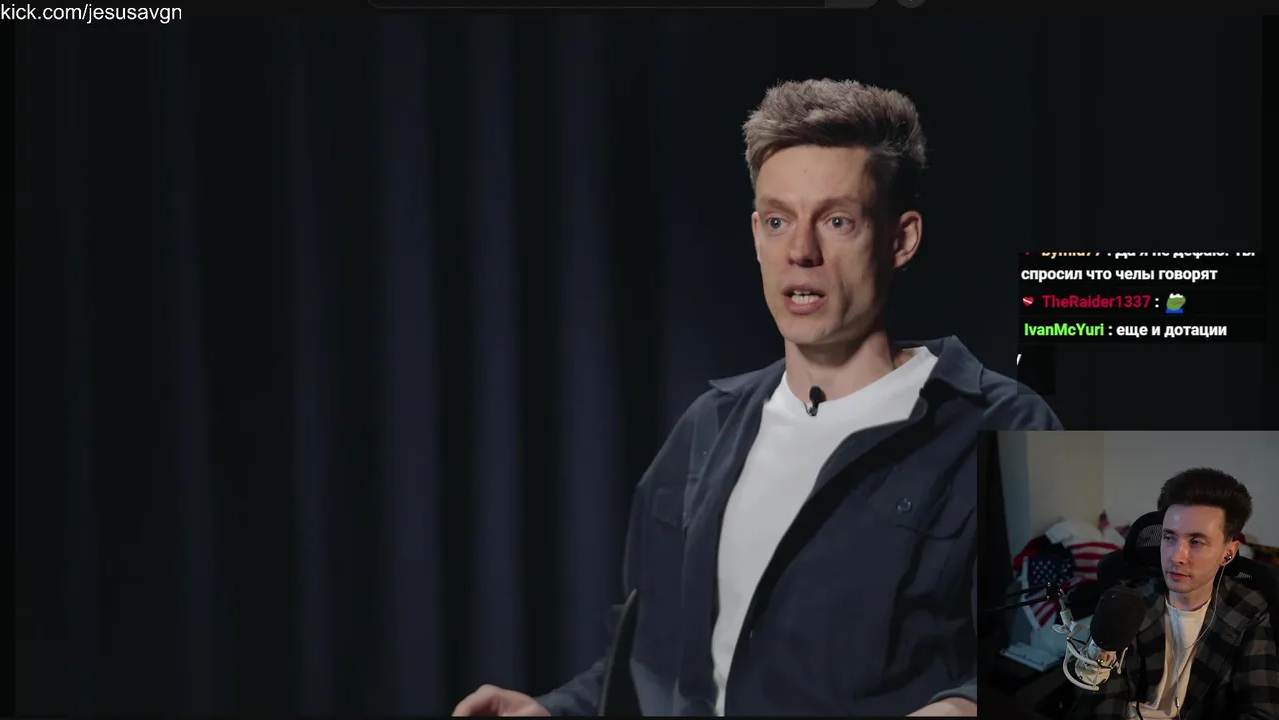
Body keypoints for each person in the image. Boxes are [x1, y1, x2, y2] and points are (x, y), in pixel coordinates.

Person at [454, 78, 1060, 718]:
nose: (801, 251)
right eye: (778, 221)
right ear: (755, 236)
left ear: (900, 239)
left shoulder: (1002, 423)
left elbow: (1052, 654)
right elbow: (652, 662)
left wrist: (962, 709)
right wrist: (555, 711)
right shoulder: (707, 429)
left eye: (836, 221)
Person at [1069, 468, 1278, 720]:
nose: (1176, 557)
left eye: (1196, 542)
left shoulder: (1248, 610)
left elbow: (1260, 710)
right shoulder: (1127, 603)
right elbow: (1101, 699)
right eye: (1169, 537)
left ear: (1228, 553)